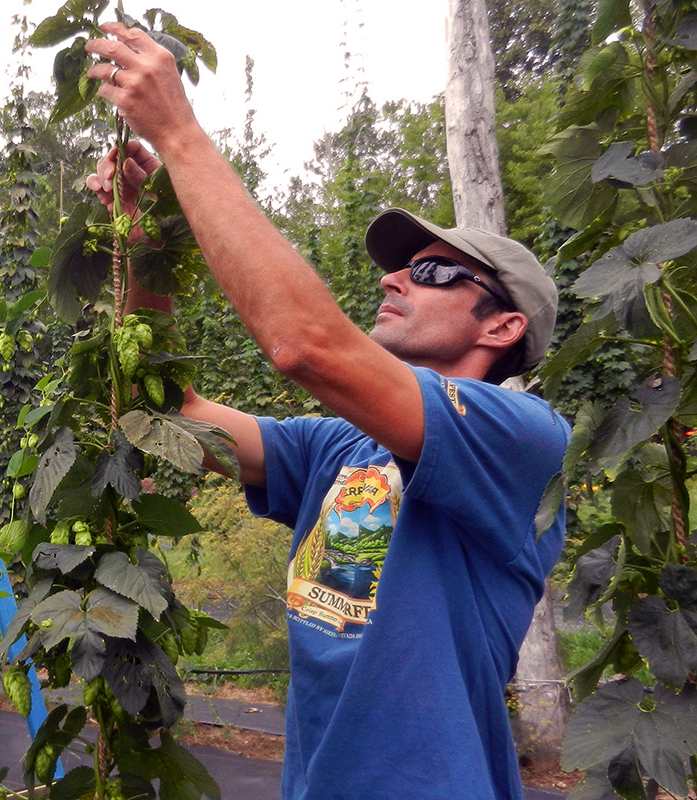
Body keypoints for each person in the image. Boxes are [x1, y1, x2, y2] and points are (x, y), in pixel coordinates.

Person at [82, 22, 569, 800]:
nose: (394, 281)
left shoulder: (521, 438)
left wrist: (176, 131)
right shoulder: (338, 447)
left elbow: (304, 345)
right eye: (398, 270)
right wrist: (144, 240)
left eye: (434, 271)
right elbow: (168, 410)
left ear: (502, 326)